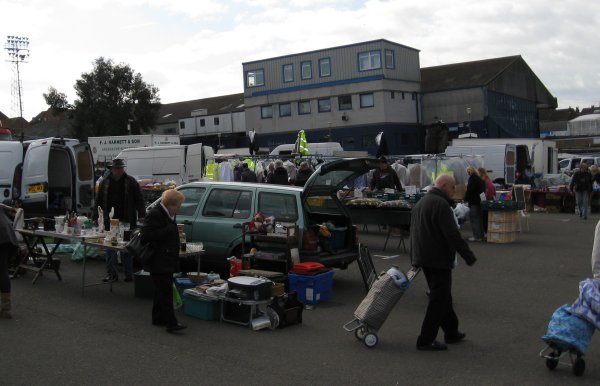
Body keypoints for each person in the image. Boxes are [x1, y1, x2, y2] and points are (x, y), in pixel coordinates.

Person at [410, 174, 477, 351]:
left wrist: (415, 258)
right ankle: (425, 339)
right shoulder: (441, 205)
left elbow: (414, 232)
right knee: (438, 300)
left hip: (425, 257)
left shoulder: (422, 202)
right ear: (445, 185)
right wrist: (468, 255)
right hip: (437, 258)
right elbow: (452, 234)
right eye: (453, 186)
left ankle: (451, 332)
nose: (454, 190)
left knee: (443, 296)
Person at [141, 189, 187, 333]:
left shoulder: (168, 214)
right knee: (166, 292)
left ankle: (158, 318)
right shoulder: (155, 214)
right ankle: (171, 323)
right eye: (178, 205)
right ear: (171, 205)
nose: (179, 208)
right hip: (158, 259)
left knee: (161, 291)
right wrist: (167, 230)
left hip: (165, 258)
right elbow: (145, 236)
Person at [95, 158, 146, 282]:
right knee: (110, 248)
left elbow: (139, 199)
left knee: (126, 249)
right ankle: (111, 274)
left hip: (126, 219)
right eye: (116, 168)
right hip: (109, 220)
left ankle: (128, 274)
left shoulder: (131, 182)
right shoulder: (104, 182)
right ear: (111, 169)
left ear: (123, 169)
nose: (118, 170)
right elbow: (99, 201)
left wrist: (142, 215)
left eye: (120, 168)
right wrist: (95, 217)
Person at [0, 204, 19, 319]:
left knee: (1, 271)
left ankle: (6, 308)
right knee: (2, 270)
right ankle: (6, 309)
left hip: (2, 235)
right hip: (6, 234)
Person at [464, 166, 485, 241]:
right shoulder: (479, 179)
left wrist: (465, 199)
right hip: (479, 202)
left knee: (474, 219)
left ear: (469, 172)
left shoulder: (472, 179)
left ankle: (477, 236)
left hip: (473, 202)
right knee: (479, 219)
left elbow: (470, 191)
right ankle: (481, 235)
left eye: (468, 172)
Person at [478, 167, 496, 234]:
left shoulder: (483, 180)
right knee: (488, 217)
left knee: (485, 217)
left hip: (486, 199)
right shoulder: (488, 179)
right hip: (491, 198)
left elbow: (485, 192)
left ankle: (485, 232)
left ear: (480, 172)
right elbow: (494, 190)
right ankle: (488, 231)